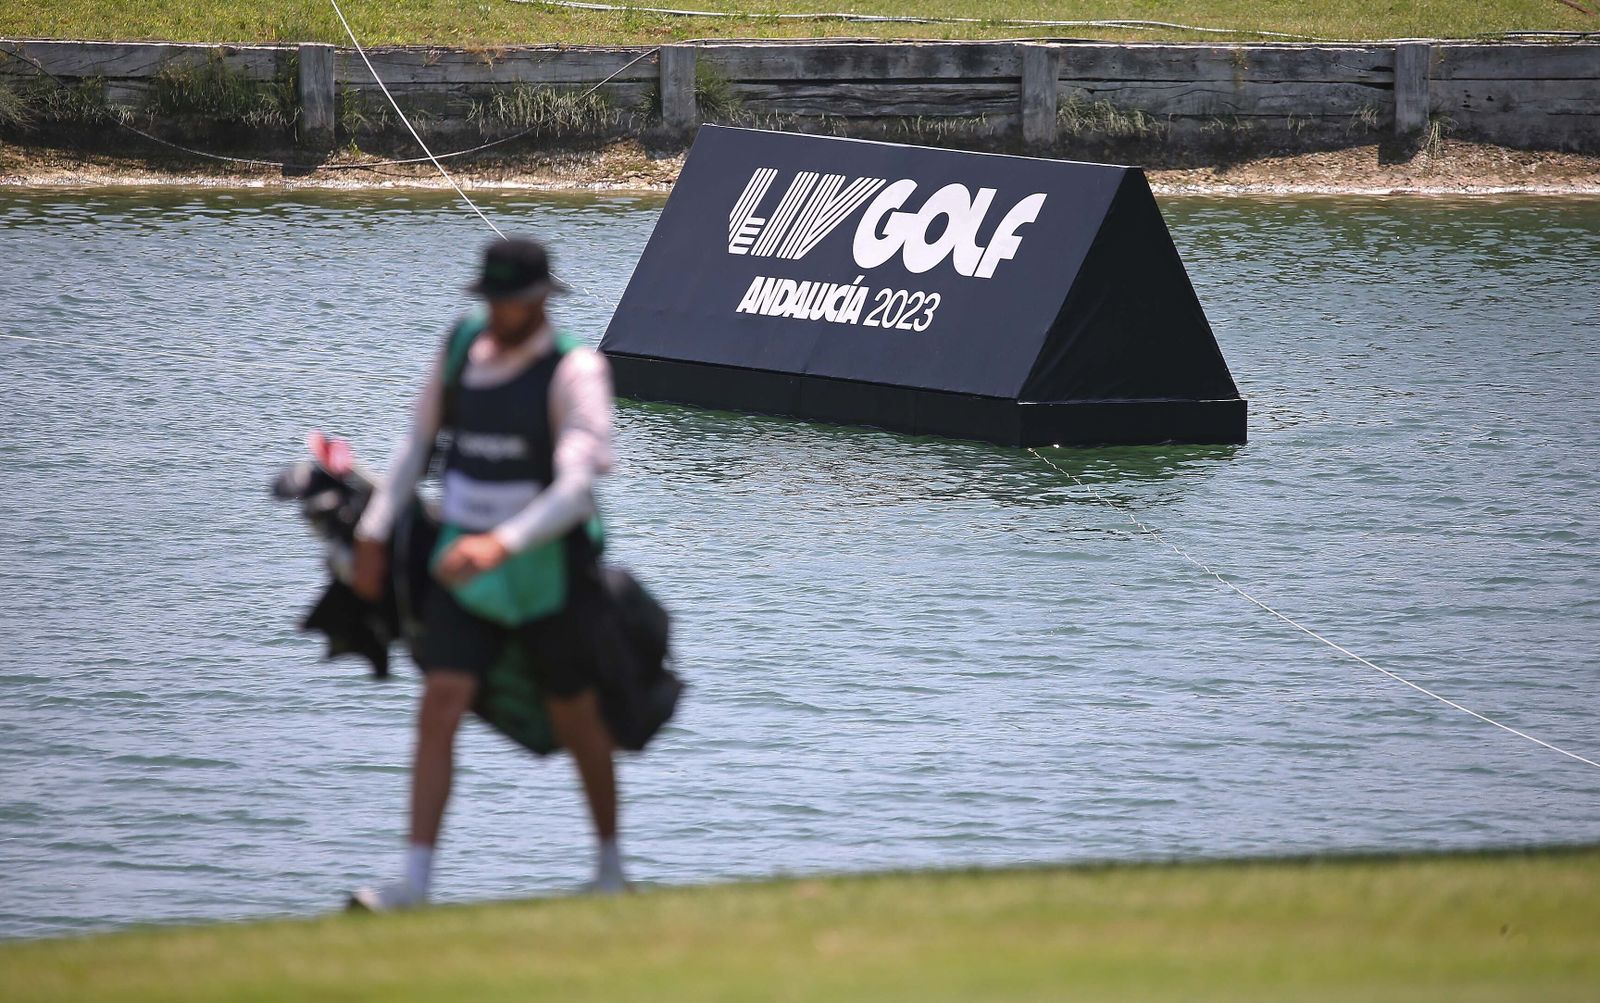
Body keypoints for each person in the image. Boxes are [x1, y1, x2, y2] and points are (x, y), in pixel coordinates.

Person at [347, 237, 625, 909]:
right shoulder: (460, 348)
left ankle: (611, 868)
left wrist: (501, 544)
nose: (501, 314)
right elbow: (415, 444)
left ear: (539, 301)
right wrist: (374, 530)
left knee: (577, 714)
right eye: (494, 301)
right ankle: (413, 881)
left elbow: (575, 489)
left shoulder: (574, 369)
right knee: (440, 700)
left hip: (551, 566)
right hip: (461, 560)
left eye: (514, 302)